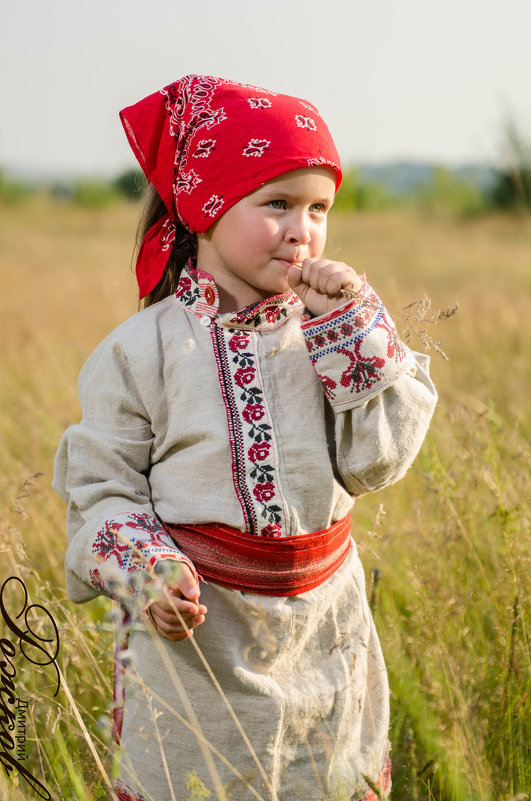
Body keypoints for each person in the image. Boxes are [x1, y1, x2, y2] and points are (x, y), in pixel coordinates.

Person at [53, 74, 437, 801]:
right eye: (277, 204)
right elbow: (100, 490)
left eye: (319, 209)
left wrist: (350, 328)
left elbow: (376, 462)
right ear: (205, 207)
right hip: (199, 645)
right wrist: (146, 574)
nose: (303, 231)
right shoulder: (142, 350)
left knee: (324, 778)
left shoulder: (327, 327)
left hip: (326, 628)